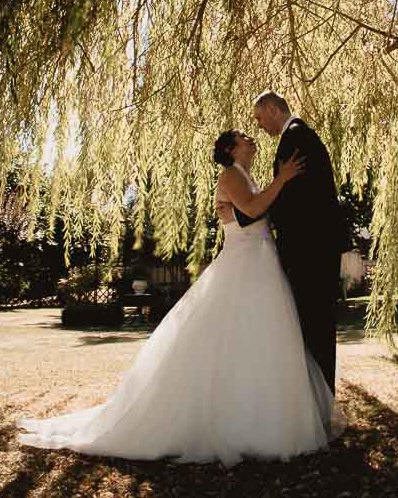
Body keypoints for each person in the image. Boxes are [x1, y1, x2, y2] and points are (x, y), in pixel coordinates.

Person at [17, 128, 343, 466]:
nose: (252, 139)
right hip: (244, 262)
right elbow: (250, 211)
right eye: (246, 137)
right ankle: (234, 423)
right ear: (231, 149)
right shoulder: (230, 175)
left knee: (262, 340)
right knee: (234, 335)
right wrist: (284, 179)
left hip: (263, 262)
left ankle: (262, 419)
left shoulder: (247, 174)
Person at [252, 92, 344, 394]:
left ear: (273, 109)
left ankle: (319, 402)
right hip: (316, 248)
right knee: (315, 324)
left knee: (313, 325)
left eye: (260, 117)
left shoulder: (295, 137)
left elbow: (295, 201)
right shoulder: (300, 135)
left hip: (308, 250)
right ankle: (319, 400)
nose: (259, 125)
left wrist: (265, 221)